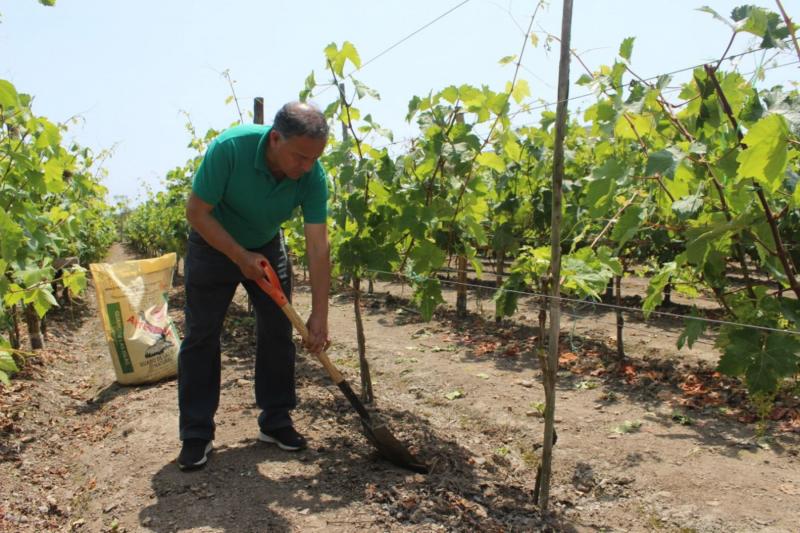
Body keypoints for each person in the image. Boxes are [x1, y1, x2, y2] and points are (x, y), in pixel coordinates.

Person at [176, 102, 331, 471]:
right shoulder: (230, 149)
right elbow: (196, 212)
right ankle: (196, 432)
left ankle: (276, 421)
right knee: (202, 334)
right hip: (214, 242)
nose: (307, 167)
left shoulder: (313, 175)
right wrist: (237, 255)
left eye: (315, 159)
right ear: (275, 139)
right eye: (300, 157)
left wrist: (320, 314)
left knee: (278, 332)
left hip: (265, 245)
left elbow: (317, 244)